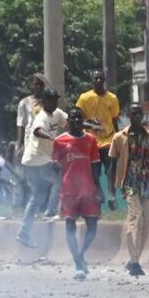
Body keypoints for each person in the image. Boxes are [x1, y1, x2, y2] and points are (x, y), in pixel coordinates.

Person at [109, 103, 149, 277]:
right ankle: (134, 262)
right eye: (133, 113)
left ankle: (134, 260)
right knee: (135, 218)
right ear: (128, 114)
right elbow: (112, 165)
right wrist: (112, 192)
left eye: (139, 114)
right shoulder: (120, 137)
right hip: (130, 183)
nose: (136, 117)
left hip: (148, 183)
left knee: (146, 221)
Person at [52, 107, 105, 280]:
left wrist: (99, 188)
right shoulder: (59, 141)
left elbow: (96, 166)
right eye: (73, 118)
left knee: (92, 226)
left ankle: (80, 254)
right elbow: (54, 167)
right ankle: (78, 265)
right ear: (68, 121)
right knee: (70, 227)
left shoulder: (91, 140)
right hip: (69, 190)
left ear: (83, 120)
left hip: (88, 188)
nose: (76, 121)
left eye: (79, 118)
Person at [18, 88, 67, 246]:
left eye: (55, 100)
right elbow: (38, 131)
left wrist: (88, 123)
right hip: (37, 160)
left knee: (37, 195)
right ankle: (53, 211)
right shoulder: (42, 117)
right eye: (51, 100)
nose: (54, 103)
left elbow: (71, 122)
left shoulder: (57, 113)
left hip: (34, 161)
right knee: (62, 179)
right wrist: (51, 137)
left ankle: (24, 232)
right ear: (44, 102)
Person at [76, 70, 121, 208]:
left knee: (111, 170)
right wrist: (90, 123)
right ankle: (99, 192)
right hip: (91, 142)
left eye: (101, 78)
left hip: (108, 140)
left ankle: (112, 195)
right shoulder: (84, 98)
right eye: (96, 78)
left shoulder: (112, 98)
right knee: (93, 172)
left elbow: (114, 120)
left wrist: (118, 139)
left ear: (104, 80)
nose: (98, 81)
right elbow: (77, 119)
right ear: (92, 80)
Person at [16, 74, 48, 150]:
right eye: (36, 84)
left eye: (41, 84)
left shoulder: (48, 102)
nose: (39, 87)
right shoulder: (24, 102)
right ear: (31, 86)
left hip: (46, 141)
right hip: (30, 142)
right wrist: (19, 146)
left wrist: (47, 83)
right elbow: (21, 125)